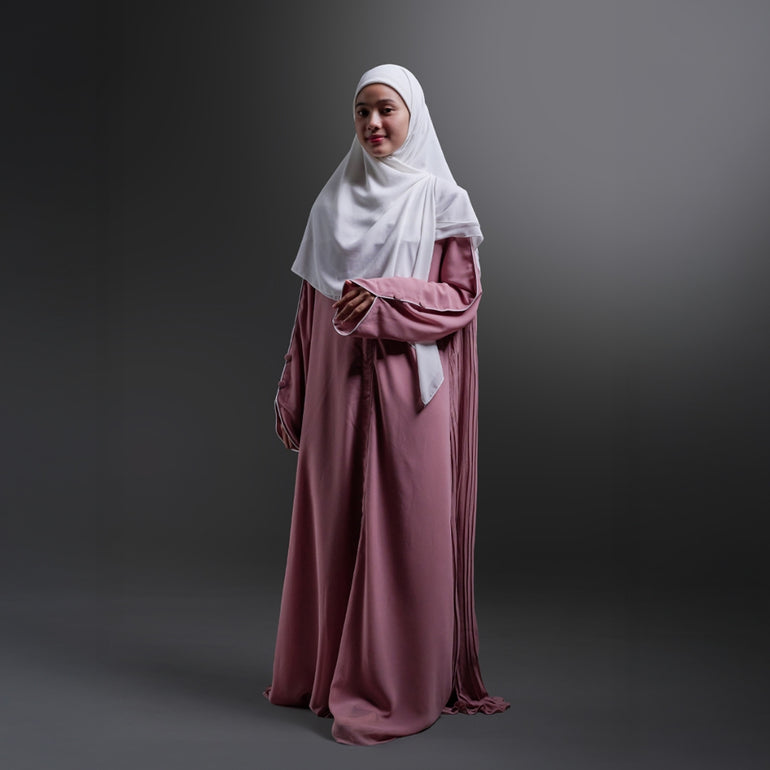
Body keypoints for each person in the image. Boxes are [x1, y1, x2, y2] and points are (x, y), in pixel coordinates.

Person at [263, 63, 509, 745]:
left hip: (407, 391)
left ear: (413, 116)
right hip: (336, 392)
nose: (373, 123)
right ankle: (327, 674)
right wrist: (292, 391)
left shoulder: (441, 199)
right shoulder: (331, 202)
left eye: (386, 110)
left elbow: (461, 298)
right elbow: (309, 315)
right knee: (335, 526)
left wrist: (386, 296)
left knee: (403, 532)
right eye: (363, 111)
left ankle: (394, 684)